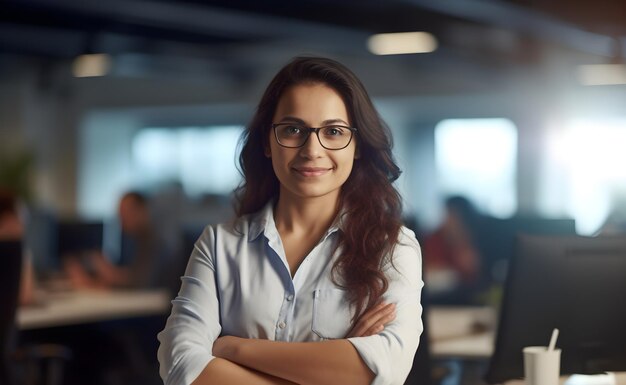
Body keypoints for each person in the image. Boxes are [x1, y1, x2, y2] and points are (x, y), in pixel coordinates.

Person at [157, 56, 424, 385]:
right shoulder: (218, 244)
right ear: (268, 142)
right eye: (293, 129)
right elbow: (181, 365)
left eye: (334, 131)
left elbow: (386, 369)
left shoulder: (392, 247)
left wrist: (233, 349)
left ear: (356, 146)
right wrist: (332, 367)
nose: (312, 150)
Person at [422, 195, 482, 301]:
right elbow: (427, 267)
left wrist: (458, 241)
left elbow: (471, 269)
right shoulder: (435, 237)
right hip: (439, 297)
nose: (448, 219)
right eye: (447, 214)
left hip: (467, 296)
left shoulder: (475, 237)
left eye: (454, 215)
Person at [0, 189, 36, 306]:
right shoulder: (11, 251)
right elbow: (25, 297)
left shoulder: (19, 251)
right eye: (20, 217)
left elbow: (26, 296)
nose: (23, 224)